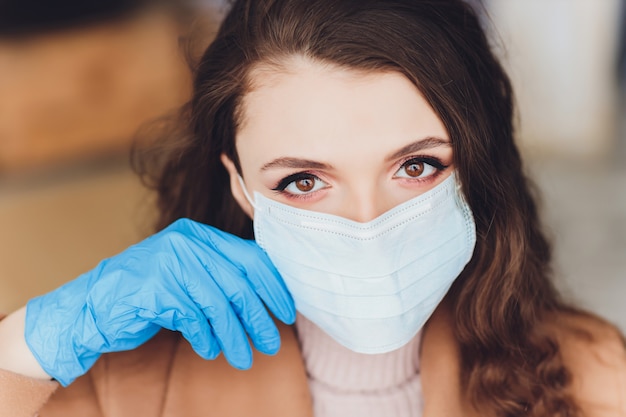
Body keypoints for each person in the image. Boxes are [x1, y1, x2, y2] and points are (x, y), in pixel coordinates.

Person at [1, 0, 625, 416]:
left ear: (477, 168)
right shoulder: (127, 387)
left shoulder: (591, 377)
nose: (367, 227)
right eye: (303, 180)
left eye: (417, 166)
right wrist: (30, 346)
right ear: (242, 188)